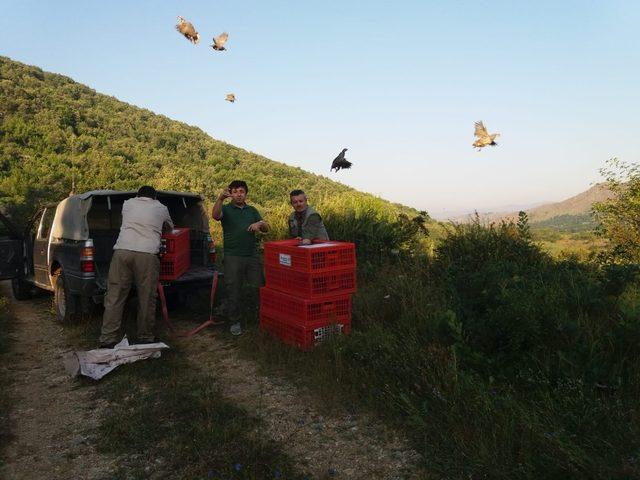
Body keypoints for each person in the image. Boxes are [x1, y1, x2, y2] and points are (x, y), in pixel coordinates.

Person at [99, 186, 174, 348]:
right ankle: (145, 337)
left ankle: (107, 339)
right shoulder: (161, 207)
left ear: (138, 195)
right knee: (146, 297)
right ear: (154, 197)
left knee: (115, 295)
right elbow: (169, 227)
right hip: (147, 254)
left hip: (122, 252)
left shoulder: (127, 204)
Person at [212, 180, 269, 335]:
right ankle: (235, 321)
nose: (239, 194)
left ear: (246, 194)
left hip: (252, 255)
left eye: (242, 191)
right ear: (231, 193)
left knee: (260, 287)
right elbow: (215, 216)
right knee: (234, 290)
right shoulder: (226, 208)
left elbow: (266, 228)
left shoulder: (252, 210)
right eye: (235, 191)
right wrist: (220, 199)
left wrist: (260, 224)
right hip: (232, 256)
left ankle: (261, 318)